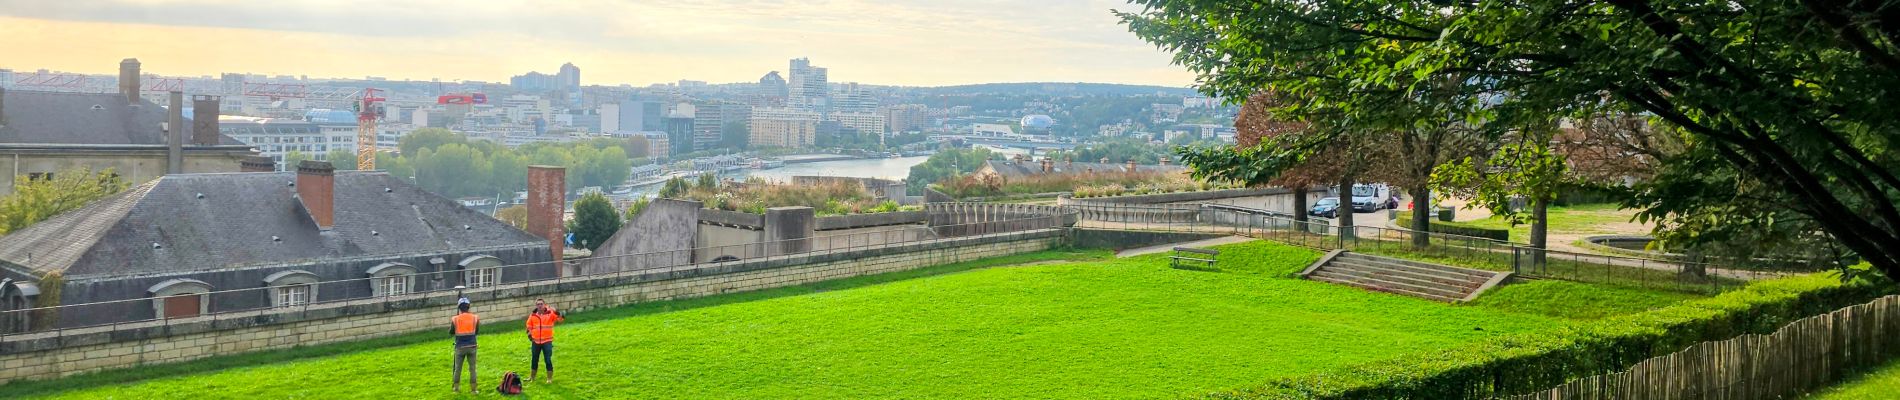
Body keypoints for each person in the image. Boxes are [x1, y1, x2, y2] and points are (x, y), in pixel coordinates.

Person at [525, 298, 565, 383]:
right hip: (535, 342)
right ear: (536, 306)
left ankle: (549, 379)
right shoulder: (532, 315)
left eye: (541, 304)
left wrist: (556, 311)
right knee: (534, 359)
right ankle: (532, 378)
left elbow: (561, 319)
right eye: (538, 304)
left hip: (547, 342)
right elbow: (528, 326)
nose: (539, 305)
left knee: (548, 360)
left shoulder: (550, 313)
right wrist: (530, 335)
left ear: (544, 305)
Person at [451, 297, 480, 394]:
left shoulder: (455, 319)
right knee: (472, 369)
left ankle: (456, 388)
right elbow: (476, 331)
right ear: (469, 307)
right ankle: (473, 390)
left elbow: (451, 332)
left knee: (458, 368)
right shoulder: (475, 318)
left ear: (459, 308)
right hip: (472, 346)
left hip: (459, 347)